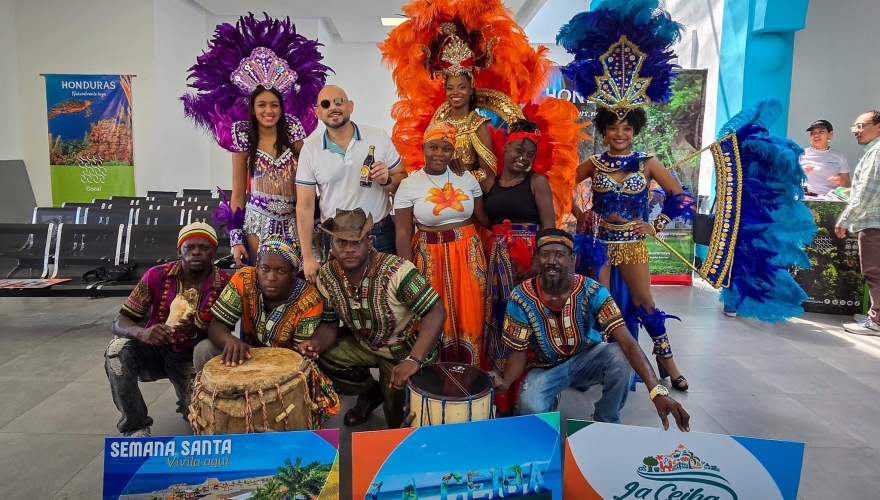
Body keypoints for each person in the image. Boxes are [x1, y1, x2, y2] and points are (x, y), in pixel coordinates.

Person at [493, 229, 690, 431]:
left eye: (559, 255)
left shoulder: (592, 290)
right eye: (545, 254)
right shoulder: (521, 296)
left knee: (621, 355)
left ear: (572, 259)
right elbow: (519, 354)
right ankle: (548, 400)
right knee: (530, 407)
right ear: (537, 259)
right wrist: (505, 382)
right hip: (545, 367)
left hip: (588, 359)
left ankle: (606, 421)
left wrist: (657, 392)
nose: (551, 261)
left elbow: (627, 342)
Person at [181, 13, 331, 265]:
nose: (268, 110)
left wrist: (314, 221)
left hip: (296, 220)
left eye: (274, 104)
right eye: (262, 105)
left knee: (302, 278)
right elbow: (238, 193)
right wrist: (236, 239)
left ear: (282, 108)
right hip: (257, 222)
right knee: (264, 279)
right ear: (252, 107)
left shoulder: (294, 130)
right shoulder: (241, 136)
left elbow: (309, 178)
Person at [296, 208, 446, 428]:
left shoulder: (397, 271)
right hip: (366, 344)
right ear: (333, 245)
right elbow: (329, 323)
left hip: (406, 351)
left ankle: (394, 394)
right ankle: (370, 392)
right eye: (341, 243)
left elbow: (436, 312)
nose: (348, 249)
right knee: (324, 355)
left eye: (356, 242)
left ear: (368, 242)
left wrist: (413, 360)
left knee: (399, 422)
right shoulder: (327, 276)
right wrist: (315, 344)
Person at [192, 235, 340, 427]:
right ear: (257, 266)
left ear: (294, 271)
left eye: (280, 271)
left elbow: (297, 359)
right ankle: (216, 409)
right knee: (204, 349)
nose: (271, 277)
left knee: (302, 402)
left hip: (288, 365)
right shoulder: (244, 279)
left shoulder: (308, 300)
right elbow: (217, 325)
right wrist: (230, 341)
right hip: (247, 355)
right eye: (265, 269)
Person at [105, 223, 230, 437]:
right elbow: (120, 321)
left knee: (204, 424)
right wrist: (141, 332)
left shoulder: (226, 283)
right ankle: (135, 426)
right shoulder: (157, 275)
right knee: (116, 351)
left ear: (215, 252)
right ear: (179, 250)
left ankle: (186, 398)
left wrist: (197, 329)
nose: (196, 252)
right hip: (152, 351)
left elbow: (227, 331)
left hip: (193, 358)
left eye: (204, 247)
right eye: (189, 247)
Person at [394, 122, 488, 364]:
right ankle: (433, 376)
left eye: (446, 148)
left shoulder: (465, 176)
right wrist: (407, 271)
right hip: (428, 255)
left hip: (467, 254)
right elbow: (403, 232)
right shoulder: (409, 184)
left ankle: (470, 373)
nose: (439, 153)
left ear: (453, 151)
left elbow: (483, 217)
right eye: (433, 147)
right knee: (431, 313)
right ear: (423, 147)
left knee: (471, 311)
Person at [481, 120, 556, 414]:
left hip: (529, 259)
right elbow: (485, 220)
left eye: (530, 152)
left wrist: (537, 266)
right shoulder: (491, 183)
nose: (523, 156)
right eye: (518, 149)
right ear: (506, 148)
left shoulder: (537, 182)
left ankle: (527, 395)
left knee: (527, 322)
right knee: (499, 321)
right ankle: (500, 396)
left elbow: (549, 227)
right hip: (496, 259)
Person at [295, 85, 407, 283]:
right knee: (343, 305)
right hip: (337, 239)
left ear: (350, 106)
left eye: (339, 101)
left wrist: (387, 179)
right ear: (318, 112)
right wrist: (308, 257)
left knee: (389, 302)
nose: (333, 107)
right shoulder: (310, 150)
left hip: (379, 234)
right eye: (326, 104)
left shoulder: (378, 137)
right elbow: (304, 205)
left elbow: (403, 183)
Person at [837, 110, 880, 335]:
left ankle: (876, 322)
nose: (856, 131)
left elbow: (867, 191)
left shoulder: (876, 151)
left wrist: (845, 219)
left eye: (861, 126)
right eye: (855, 127)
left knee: (874, 272)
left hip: (875, 223)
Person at [801, 119, 851, 196]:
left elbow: (847, 186)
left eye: (821, 131)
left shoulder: (839, 157)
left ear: (830, 134)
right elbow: (785, 178)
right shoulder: (800, 154)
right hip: (805, 196)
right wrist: (800, 172)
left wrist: (841, 181)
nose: (816, 135)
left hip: (829, 200)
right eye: (812, 133)